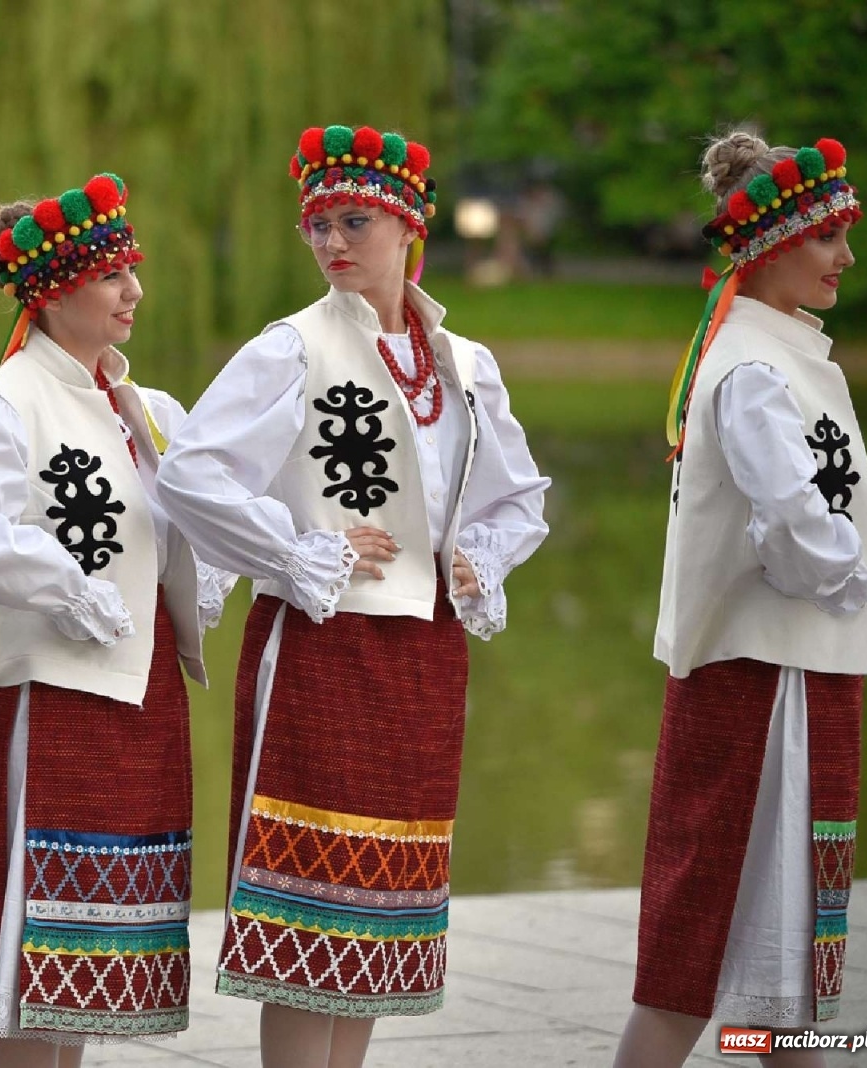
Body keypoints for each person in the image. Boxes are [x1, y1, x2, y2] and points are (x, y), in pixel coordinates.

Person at [155, 124, 549, 1068]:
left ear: (409, 224)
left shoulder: (464, 363)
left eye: (354, 222)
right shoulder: (288, 348)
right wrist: (299, 549)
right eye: (318, 225)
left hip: (423, 654)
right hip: (323, 647)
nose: (333, 242)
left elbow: (521, 494)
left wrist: (477, 557)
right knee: (311, 912)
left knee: (378, 913)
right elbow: (193, 477)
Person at [0, 173, 232, 1066]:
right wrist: (66, 583)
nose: (134, 291)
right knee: (36, 942)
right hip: (48, 693)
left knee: (89, 948)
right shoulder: (6, 403)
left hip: (138, 693)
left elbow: (205, 522)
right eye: (113, 276)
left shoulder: (145, 409)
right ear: (54, 289)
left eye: (132, 271)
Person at [615, 130, 867, 1068]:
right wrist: (859, 572)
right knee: (697, 955)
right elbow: (801, 530)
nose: (848, 256)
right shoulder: (757, 371)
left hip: (794, 671)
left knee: (791, 972)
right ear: (772, 244)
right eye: (830, 237)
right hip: (763, 684)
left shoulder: (778, 352)